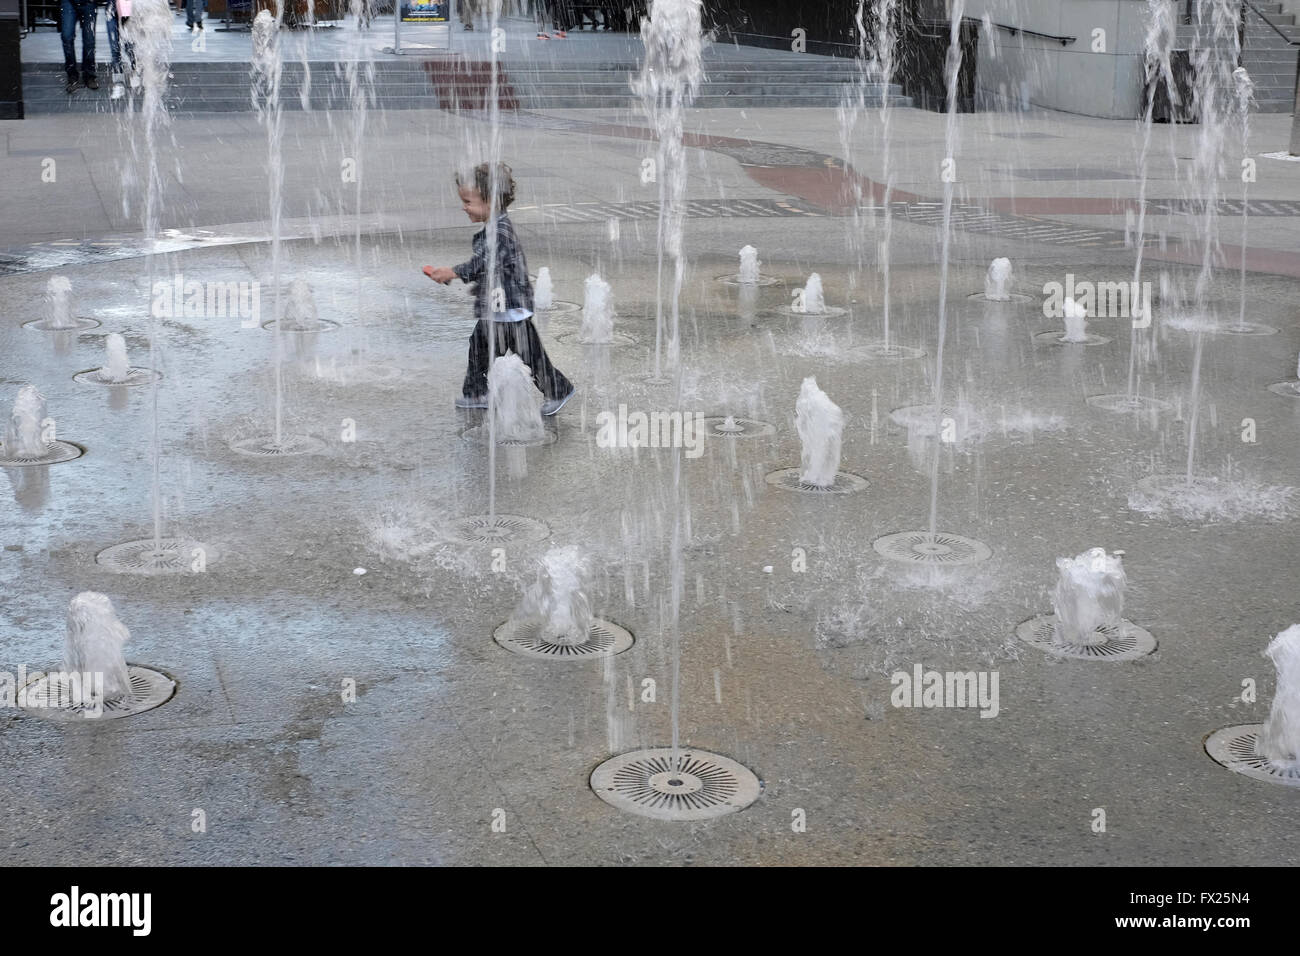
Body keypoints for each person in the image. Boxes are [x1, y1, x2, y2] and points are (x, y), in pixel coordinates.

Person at [424, 162, 575, 414]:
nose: (464, 207)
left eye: (469, 201)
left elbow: (484, 261)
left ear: (491, 201)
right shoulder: (495, 227)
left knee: (529, 356)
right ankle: (476, 393)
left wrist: (453, 272)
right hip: (500, 307)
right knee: (481, 347)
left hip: (510, 309)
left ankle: (557, 390)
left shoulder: (500, 232)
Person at [60, 0, 98, 93]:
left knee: (89, 40)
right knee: (67, 36)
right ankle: (72, 75)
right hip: (68, 2)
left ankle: (89, 75)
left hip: (89, 3)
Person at [106, 0, 138, 100]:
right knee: (114, 47)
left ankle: (135, 73)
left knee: (130, 47)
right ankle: (118, 82)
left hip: (130, 8)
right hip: (112, 7)